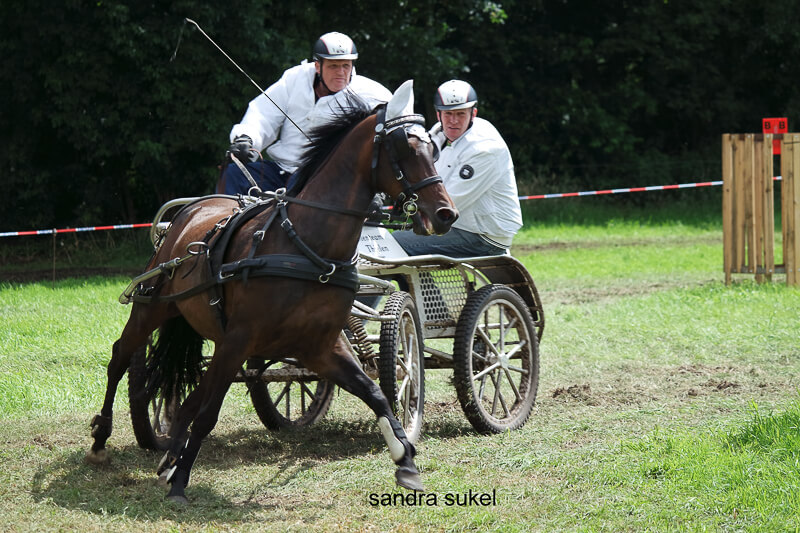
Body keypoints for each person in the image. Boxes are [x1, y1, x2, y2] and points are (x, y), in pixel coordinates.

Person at [216, 32, 392, 195]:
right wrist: (246, 138)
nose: (341, 73)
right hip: (280, 170)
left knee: (299, 187)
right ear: (318, 66)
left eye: (346, 66)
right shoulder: (294, 79)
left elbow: (395, 130)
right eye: (333, 66)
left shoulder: (371, 95)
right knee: (233, 174)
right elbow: (264, 113)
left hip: (325, 179)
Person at [390, 80, 523, 257]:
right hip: (461, 226)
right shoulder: (439, 133)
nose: (453, 121)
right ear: (438, 115)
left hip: (483, 236)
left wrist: (407, 211)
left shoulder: (484, 149)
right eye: (448, 114)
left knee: (392, 244)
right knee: (388, 240)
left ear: (473, 113)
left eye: (461, 114)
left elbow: (448, 205)